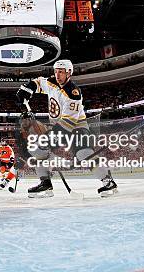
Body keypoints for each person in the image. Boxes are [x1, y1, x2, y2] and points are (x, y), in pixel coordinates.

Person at [16, 59, 118, 198]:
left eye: (61, 72)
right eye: (56, 71)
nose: (58, 75)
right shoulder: (51, 82)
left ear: (69, 73)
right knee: (38, 149)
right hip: (58, 126)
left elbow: (67, 123)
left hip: (76, 127)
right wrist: (26, 90)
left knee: (83, 154)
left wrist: (49, 138)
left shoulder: (73, 93)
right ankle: (46, 185)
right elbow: (38, 82)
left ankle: (108, 181)